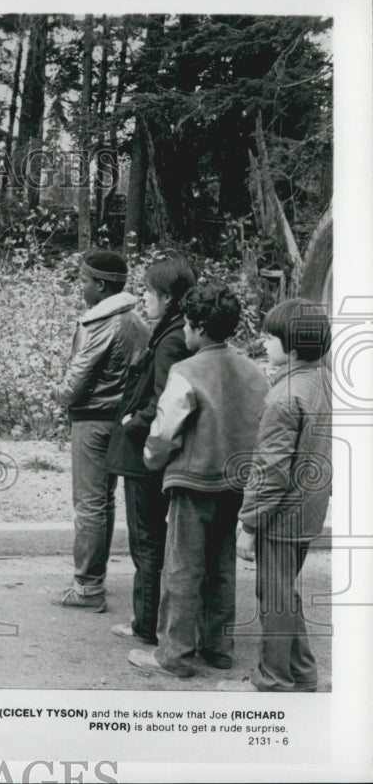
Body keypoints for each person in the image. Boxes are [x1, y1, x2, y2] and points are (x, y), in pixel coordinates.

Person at [128, 286, 268, 677]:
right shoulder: (254, 371)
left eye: (188, 326)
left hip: (193, 482)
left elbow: (165, 430)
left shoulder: (185, 371)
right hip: (236, 482)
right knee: (221, 566)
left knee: (182, 567)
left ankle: (173, 654)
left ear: (200, 328)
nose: (184, 333)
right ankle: (218, 647)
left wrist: (152, 459)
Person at [235, 299, 332, 692]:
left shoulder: (284, 397)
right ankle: (303, 672)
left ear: (291, 347)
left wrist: (248, 524)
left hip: (281, 513)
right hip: (309, 507)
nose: (263, 341)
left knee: (272, 596)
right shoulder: (321, 380)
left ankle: (273, 678)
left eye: (270, 336)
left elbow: (270, 472)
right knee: (283, 591)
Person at [51, 250, 149, 612]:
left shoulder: (100, 322)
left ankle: (89, 587)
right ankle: (93, 580)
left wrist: (56, 391)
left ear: (102, 285)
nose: (82, 288)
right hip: (122, 420)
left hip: (91, 420)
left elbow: (76, 382)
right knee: (104, 503)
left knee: (90, 504)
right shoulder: (137, 321)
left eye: (85, 281)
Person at [105, 257, 197, 643]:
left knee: (146, 543)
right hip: (150, 455)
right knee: (152, 542)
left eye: (150, 292)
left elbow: (166, 401)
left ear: (169, 297)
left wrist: (131, 424)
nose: (143, 297)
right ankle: (151, 621)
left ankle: (146, 626)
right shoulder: (173, 332)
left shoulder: (172, 338)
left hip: (146, 457)